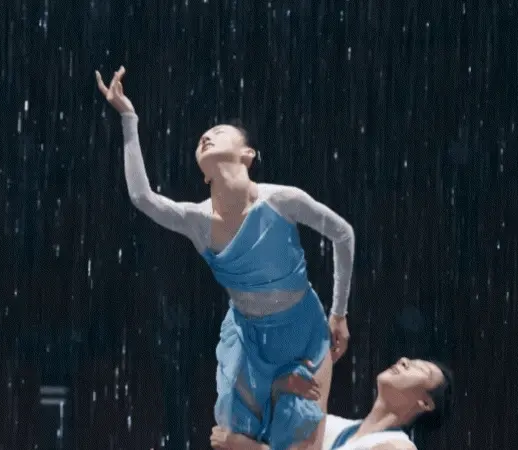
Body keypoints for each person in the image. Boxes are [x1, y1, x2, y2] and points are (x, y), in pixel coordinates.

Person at [96, 66, 355, 450]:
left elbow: (343, 233)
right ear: (203, 176)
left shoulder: (282, 200)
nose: (207, 135)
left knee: (300, 439)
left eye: (219, 132)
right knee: (231, 438)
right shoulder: (198, 221)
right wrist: (128, 117)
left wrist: (339, 313)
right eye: (203, 136)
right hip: (247, 337)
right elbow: (143, 198)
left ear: (247, 154)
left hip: (303, 331)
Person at [209, 357, 455, 450]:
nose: (404, 360)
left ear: (426, 403)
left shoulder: (398, 448)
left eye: (419, 368)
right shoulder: (333, 426)